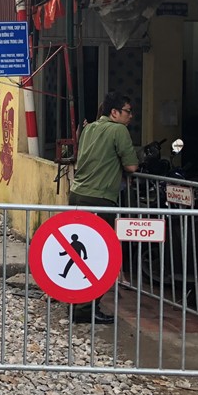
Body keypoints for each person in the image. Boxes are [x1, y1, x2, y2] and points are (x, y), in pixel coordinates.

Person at [68, 91, 139, 325]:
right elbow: (131, 166)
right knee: (99, 255)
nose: (131, 116)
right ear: (115, 112)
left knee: (79, 256)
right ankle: (87, 309)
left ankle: (76, 304)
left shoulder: (89, 128)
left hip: (78, 196)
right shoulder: (118, 130)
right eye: (128, 111)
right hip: (99, 199)